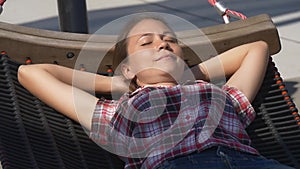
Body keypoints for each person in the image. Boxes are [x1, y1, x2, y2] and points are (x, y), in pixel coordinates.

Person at [18, 14, 294, 169]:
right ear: (126, 68)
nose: (161, 45)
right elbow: (31, 73)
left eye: (169, 41)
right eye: (146, 44)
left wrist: (188, 74)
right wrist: (117, 84)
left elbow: (256, 48)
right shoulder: (115, 112)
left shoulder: (221, 95)